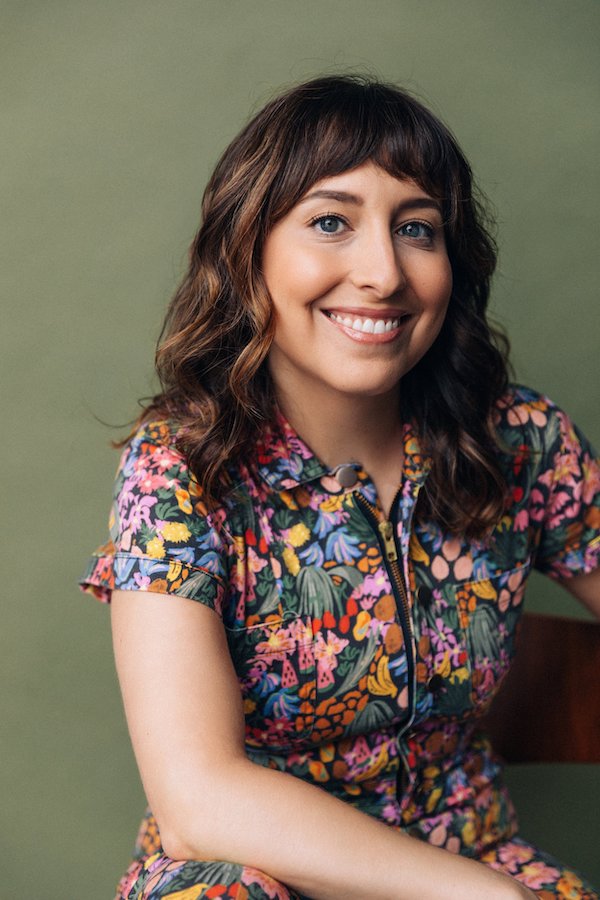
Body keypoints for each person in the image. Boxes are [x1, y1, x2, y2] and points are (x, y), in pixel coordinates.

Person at [80, 75, 600, 900]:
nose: (383, 273)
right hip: (252, 873)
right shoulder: (180, 469)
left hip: (477, 852)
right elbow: (198, 799)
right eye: (331, 222)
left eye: (417, 230)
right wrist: (480, 897)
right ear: (248, 247)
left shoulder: (520, 441)